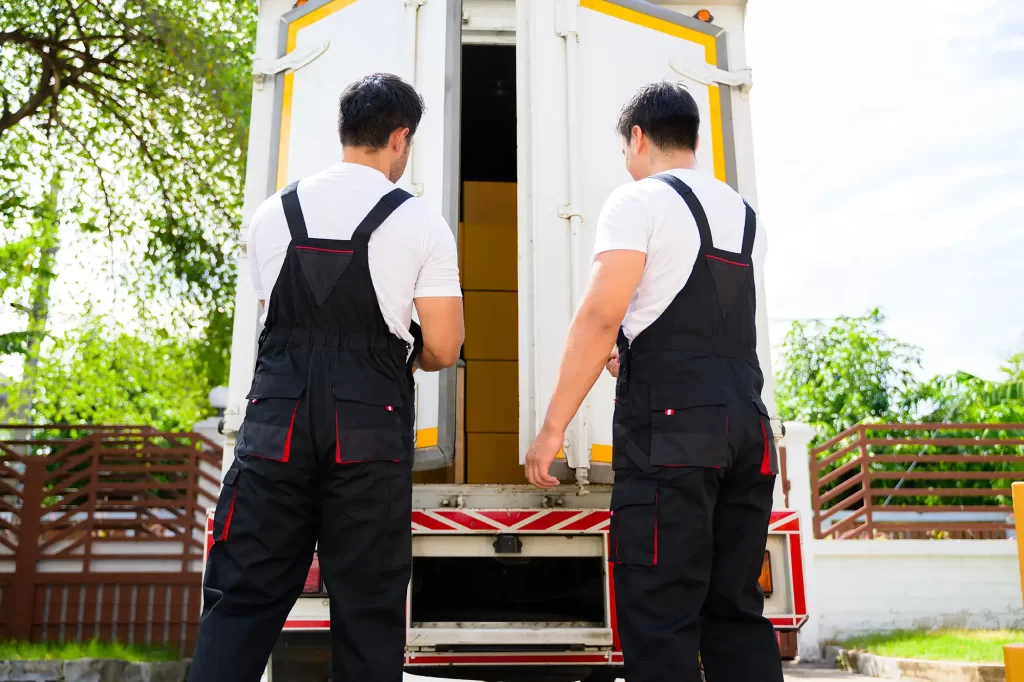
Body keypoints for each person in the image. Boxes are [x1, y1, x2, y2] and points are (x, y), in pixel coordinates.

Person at [189, 73, 464, 682]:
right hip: (365, 430)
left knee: (241, 603)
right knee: (368, 610)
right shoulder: (420, 223)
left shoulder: (271, 214)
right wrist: (402, 354)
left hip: (276, 427)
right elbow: (444, 346)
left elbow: (272, 326)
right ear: (401, 137)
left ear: (344, 130)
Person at [524, 81, 782, 682]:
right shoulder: (746, 218)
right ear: (693, 137)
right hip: (747, 430)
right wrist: (635, 348)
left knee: (661, 614)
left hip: (673, 438)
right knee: (736, 611)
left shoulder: (637, 202)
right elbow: (697, 320)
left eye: (624, 147)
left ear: (638, 138)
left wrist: (553, 428)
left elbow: (597, 317)